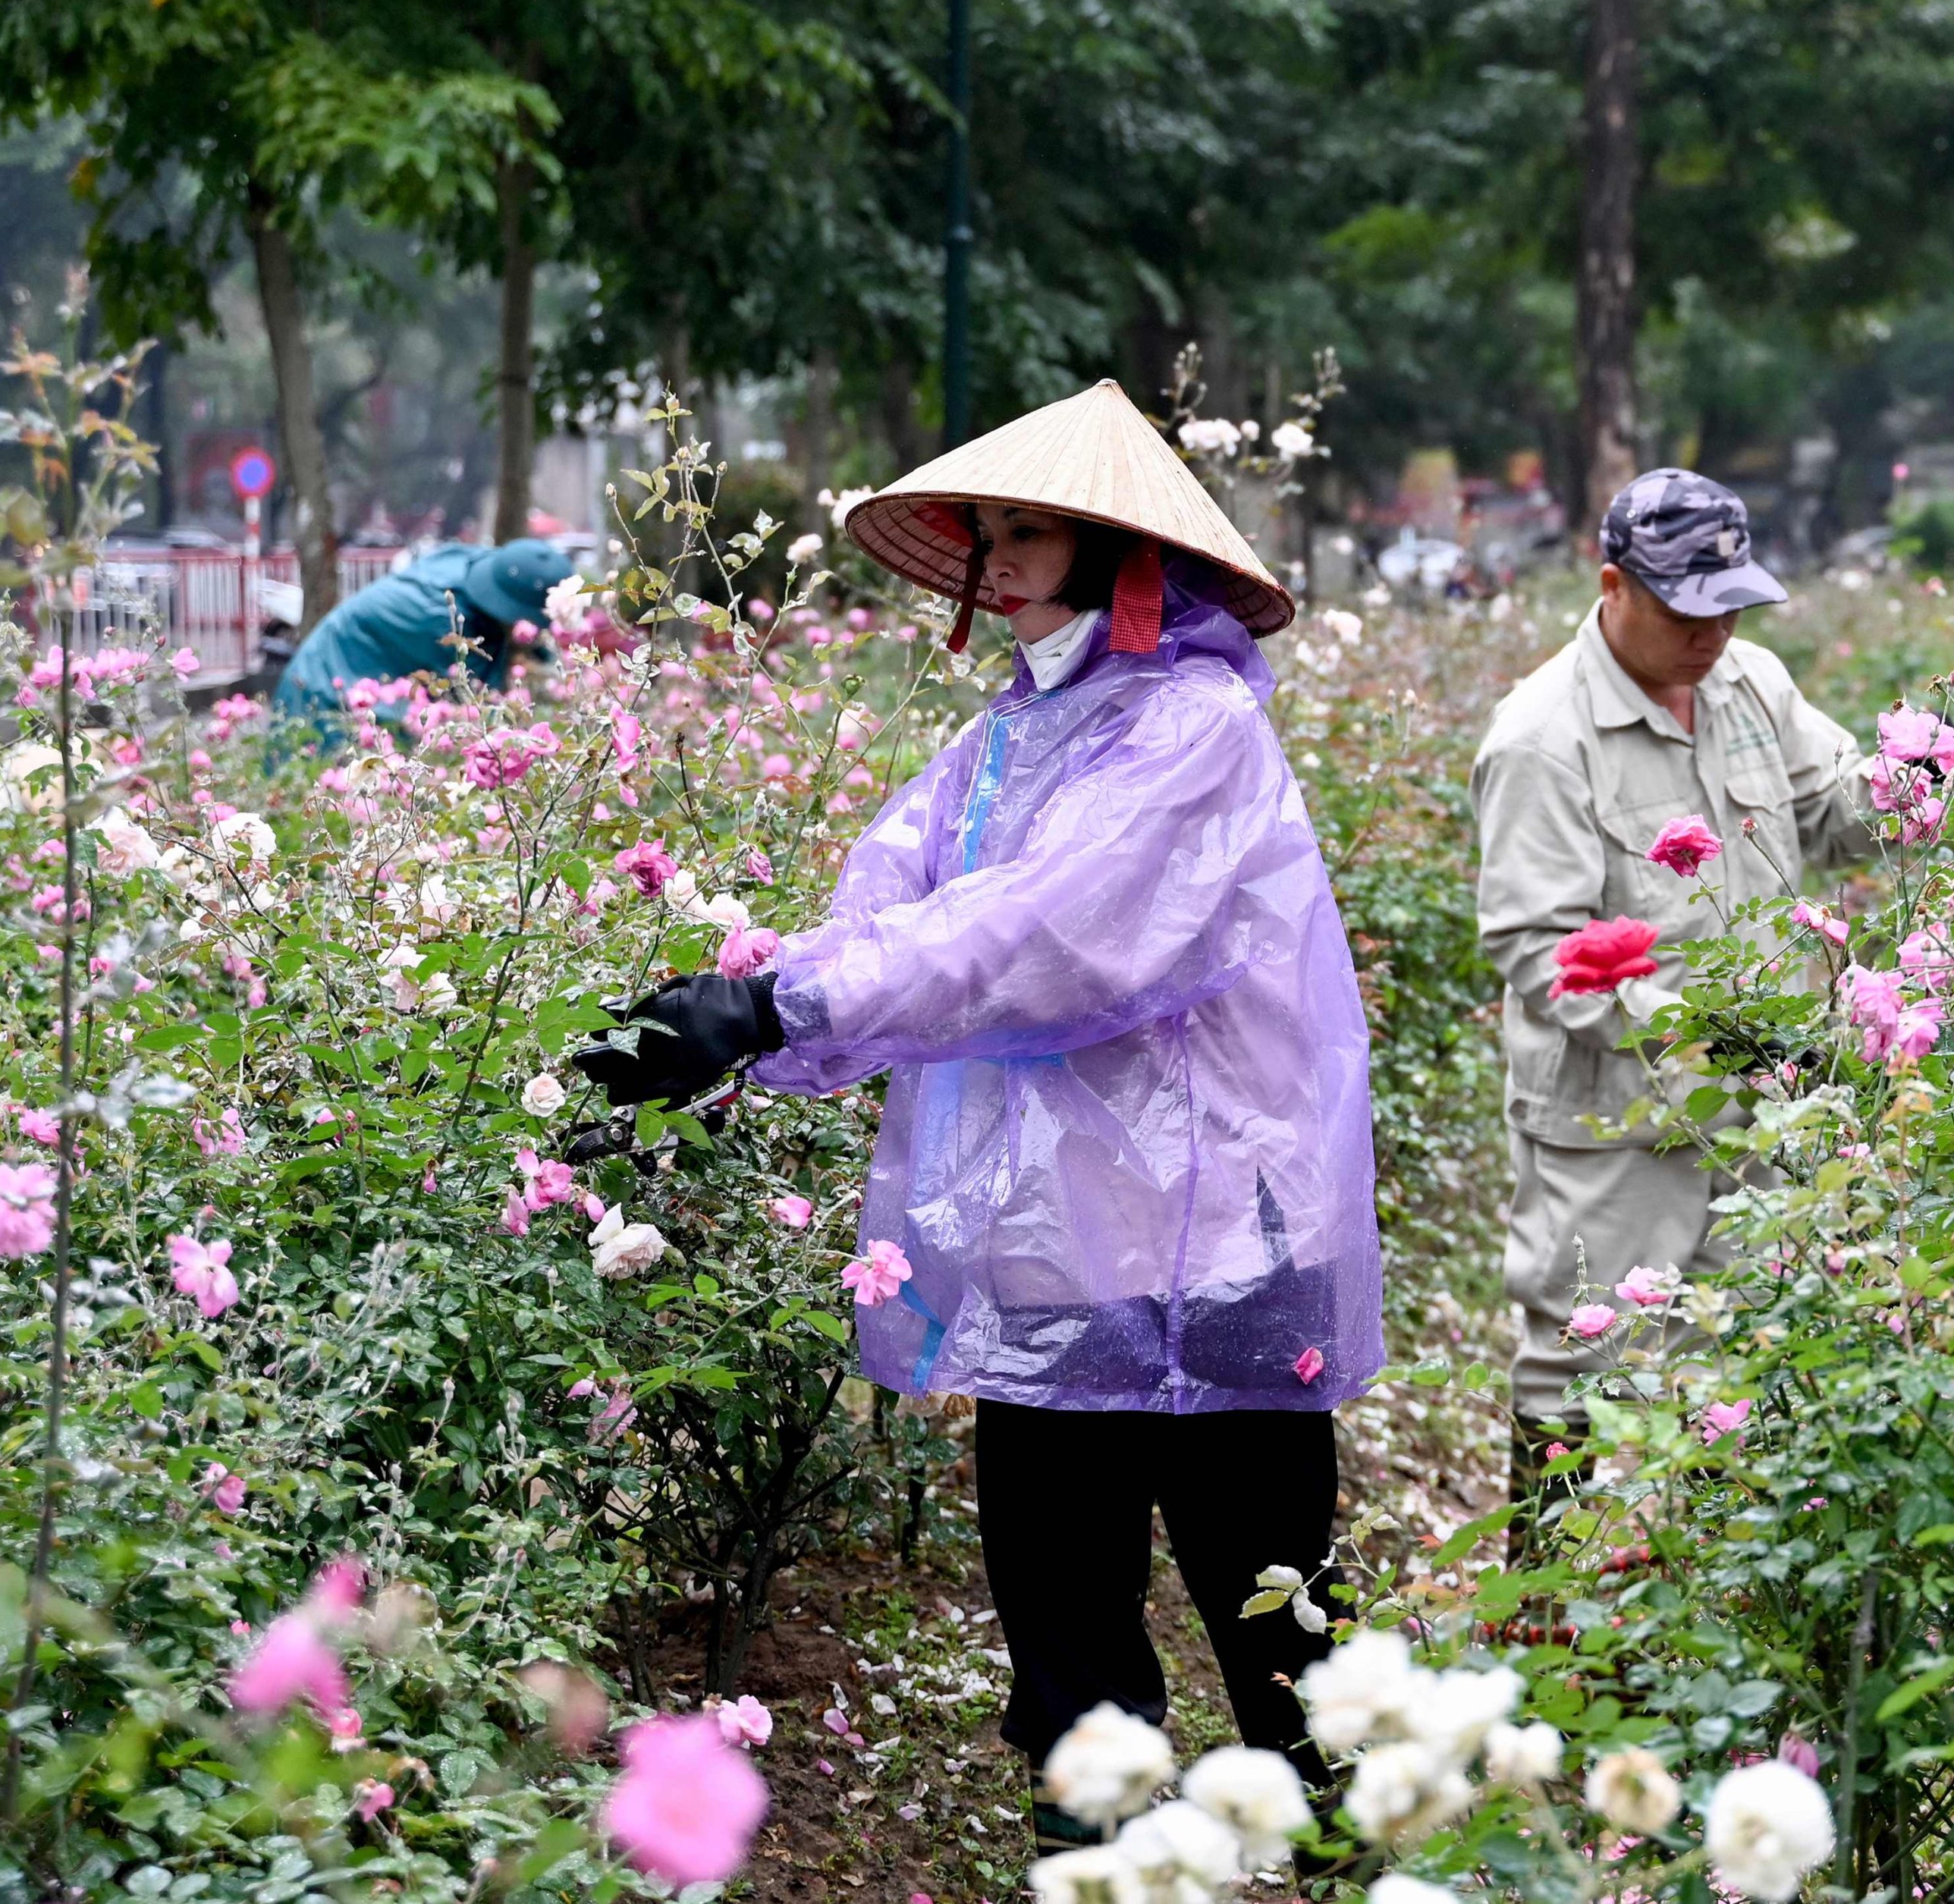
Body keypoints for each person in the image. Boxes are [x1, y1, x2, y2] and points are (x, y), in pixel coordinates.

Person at [570, 379, 1377, 1840]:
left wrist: (781, 1009)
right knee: (1064, 1624)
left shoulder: (1194, 730)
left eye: (1033, 530)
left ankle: (1354, 1857)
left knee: (1279, 1620)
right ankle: (1105, 1858)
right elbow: (897, 898)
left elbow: (1045, 928)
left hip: (1224, 1250)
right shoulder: (1006, 739)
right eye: (987, 529)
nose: (995, 555)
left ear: (1123, 558)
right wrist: (737, 1006)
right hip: (1063, 1254)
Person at [1470, 467, 1872, 1500]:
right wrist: (1701, 1034)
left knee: (1757, 1363)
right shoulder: (1542, 738)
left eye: (1733, 605)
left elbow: (1833, 810)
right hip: (1614, 1128)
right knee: (1588, 1364)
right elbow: (1539, 947)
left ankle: (1723, 1627)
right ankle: (1557, 1634)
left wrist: (1935, 777)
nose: (1715, 633)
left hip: (1762, 1115)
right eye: (1688, 609)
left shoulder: (1753, 689)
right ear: (1613, 586)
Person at [272, 538, 575, 722]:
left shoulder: (471, 562)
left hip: (352, 671)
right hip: (322, 687)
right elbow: (481, 703)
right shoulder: (444, 621)